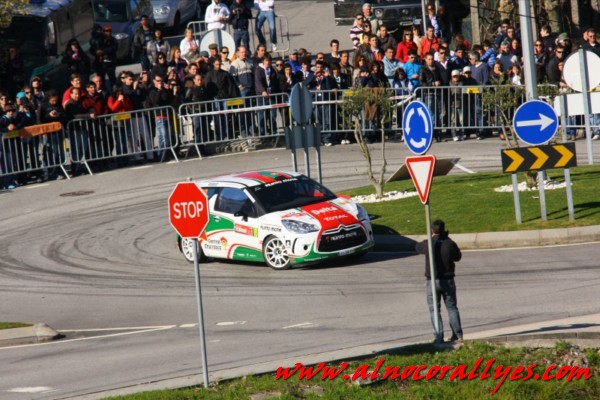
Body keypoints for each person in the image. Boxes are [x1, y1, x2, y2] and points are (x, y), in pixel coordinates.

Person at [415, 219, 463, 343]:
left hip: (432, 281)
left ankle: (439, 336)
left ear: (432, 230)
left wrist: (430, 239)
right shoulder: (449, 243)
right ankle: (457, 335)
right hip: (448, 280)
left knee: (434, 309)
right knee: (452, 308)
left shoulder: (428, 244)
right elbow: (458, 257)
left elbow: (417, 247)